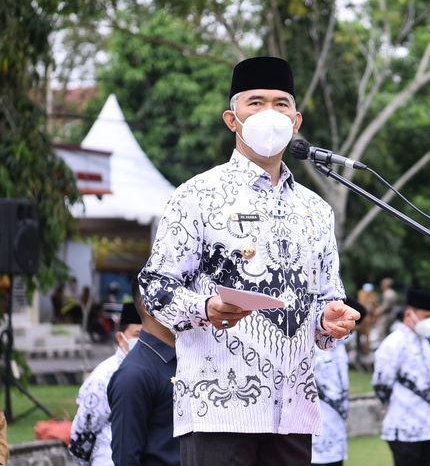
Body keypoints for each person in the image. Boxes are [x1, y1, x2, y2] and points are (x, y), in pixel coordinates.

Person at [138, 55, 360, 466]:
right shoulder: (196, 196)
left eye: (280, 103)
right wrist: (205, 307)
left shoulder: (316, 210)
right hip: (218, 407)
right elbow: (155, 286)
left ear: (296, 121)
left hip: (293, 409)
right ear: (231, 118)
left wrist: (332, 319)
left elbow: (327, 300)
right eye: (255, 103)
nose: (269, 113)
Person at [108, 277, 179, 466]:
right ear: (148, 305)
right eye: (177, 297)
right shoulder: (134, 374)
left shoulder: (188, 359)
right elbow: (126, 458)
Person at [372, 287, 430, 466]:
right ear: (410, 314)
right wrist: (391, 404)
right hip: (404, 426)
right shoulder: (394, 343)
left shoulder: (425, 343)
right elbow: (381, 384)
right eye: (426, 316)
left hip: (427, 426)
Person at [69, 302, 141, 465]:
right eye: (137, 335)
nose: (143, 341)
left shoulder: (154, 370)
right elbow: (83, 430)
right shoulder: (104, 377)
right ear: (120, 338)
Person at [311, 298, 366, 466]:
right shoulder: (313, 348)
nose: (350, 333)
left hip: (337, 436)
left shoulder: (340, 350)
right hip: (316, 438)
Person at [355, 282, 378, 356]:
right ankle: (361, 350)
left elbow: (374, 306)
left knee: (366, 335)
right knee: (361, 335)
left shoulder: (370, 295)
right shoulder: (363, 294)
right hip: (361, 318)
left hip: (366, 318)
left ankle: (365, 351)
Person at [374, 277, 399, 343]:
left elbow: (386, 306)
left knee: (382, 332)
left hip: (387, 315)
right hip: (391, 314)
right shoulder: (393, 292)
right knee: (388, 331)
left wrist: (377, 311)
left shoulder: (388, 293)